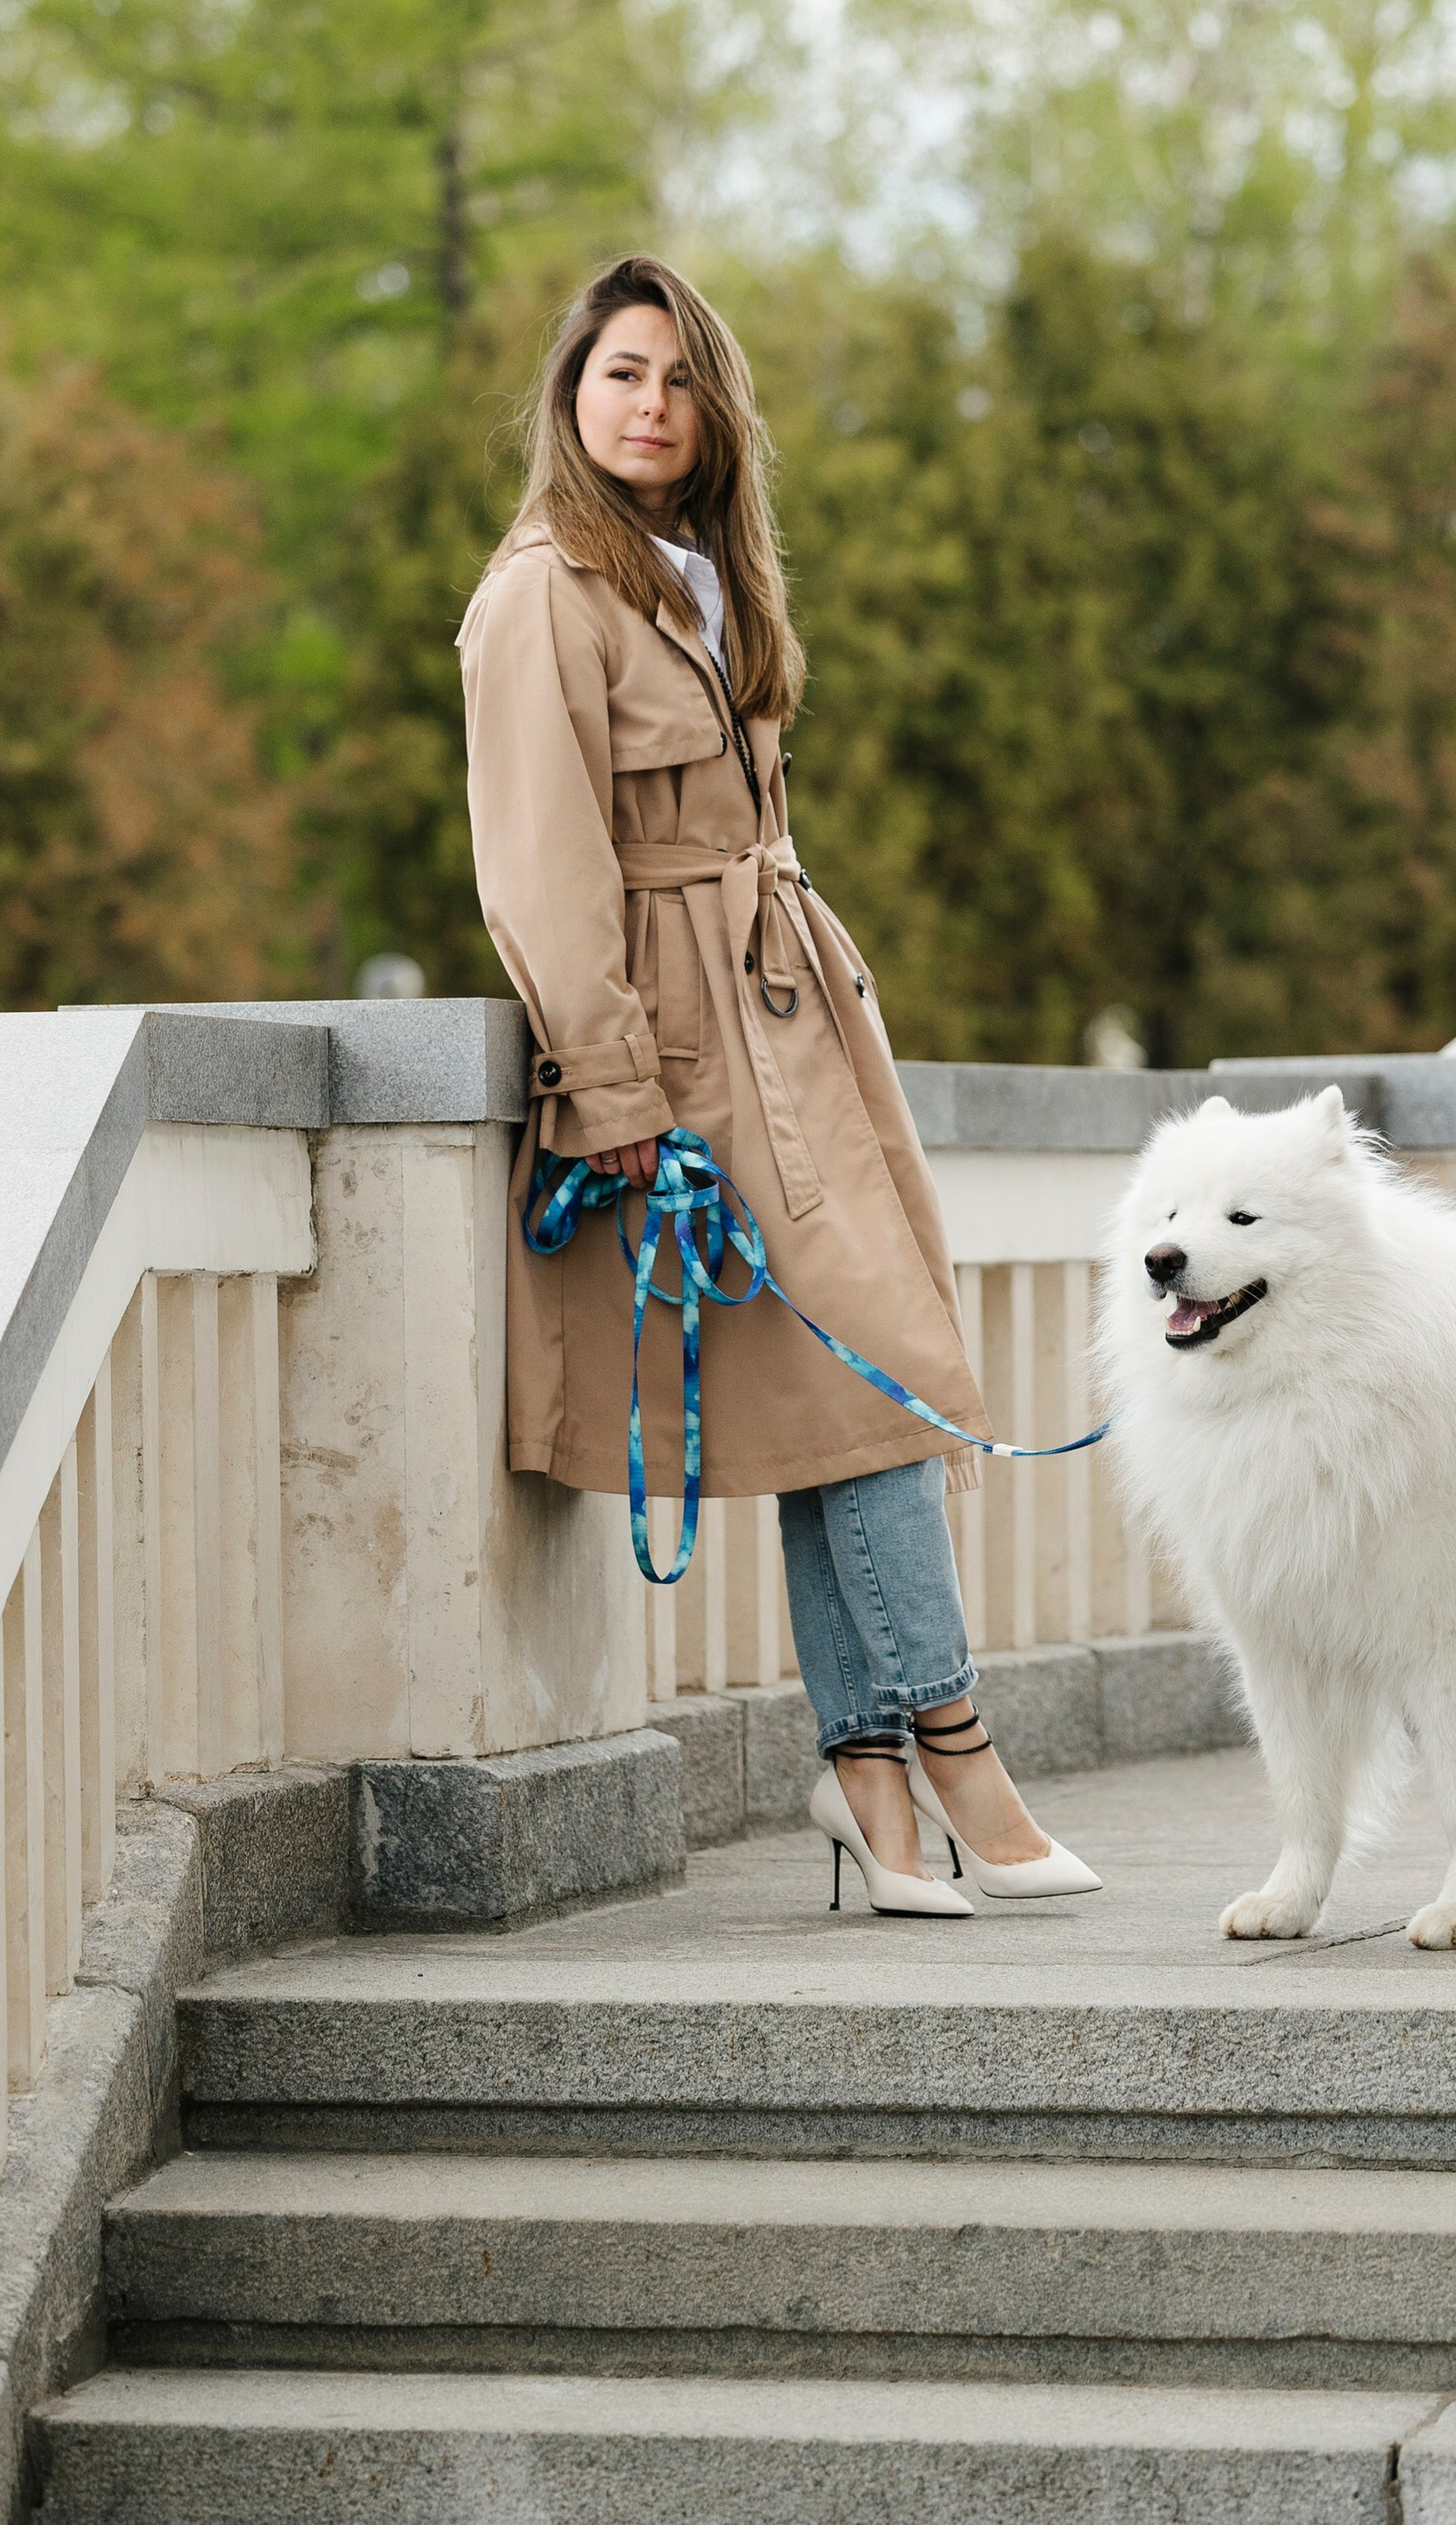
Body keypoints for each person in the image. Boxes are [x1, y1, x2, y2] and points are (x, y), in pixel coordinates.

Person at [458, 255, 1099, 1913]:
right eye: (616, 375)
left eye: (675, 379)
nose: (647, 405)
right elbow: (540, 870)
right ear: (568, 398)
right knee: (872, 1385)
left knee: (839, 1404)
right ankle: (955, 1750)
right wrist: (619, 1101)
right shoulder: (541, 592)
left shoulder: (700, 572)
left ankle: (872, 1793)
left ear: (712, 406)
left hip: (794, 1013)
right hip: (683, 1053)